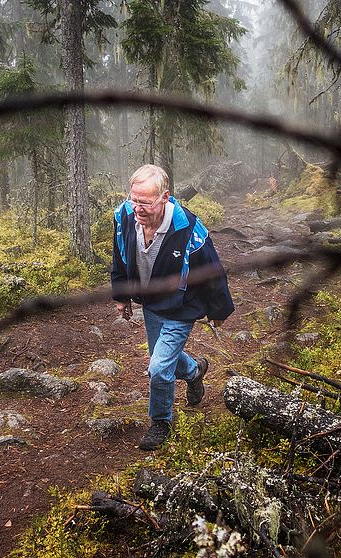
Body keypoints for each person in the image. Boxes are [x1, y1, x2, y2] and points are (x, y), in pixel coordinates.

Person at [111, 164, 234, 450]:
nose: (137, 208)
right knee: (162, 357)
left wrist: (219, 311)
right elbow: (119, 256)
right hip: (152, 304)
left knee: (158, 368)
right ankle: (194, 372)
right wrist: (121, 295)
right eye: (134, 199)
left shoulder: (187, 227)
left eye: (145, 202)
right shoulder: (125, 216)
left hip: (181, 305)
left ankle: (161, 421)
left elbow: (212, 270)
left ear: (165, 197)